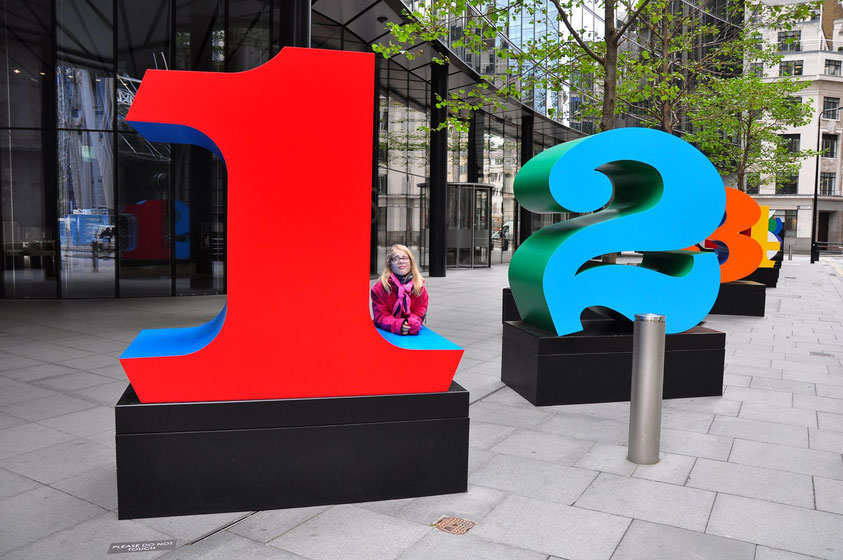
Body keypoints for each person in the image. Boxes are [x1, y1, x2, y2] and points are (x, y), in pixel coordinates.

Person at [371, 244, 428, 335]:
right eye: (396, 258)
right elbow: (381, 316)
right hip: (385, 332)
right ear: (390, 263)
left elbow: (419, 312)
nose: (401, 261)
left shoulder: (419, 287)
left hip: (411, 330)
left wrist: (410, 324)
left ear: (410, 262)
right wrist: (398, 325)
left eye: (405, 258)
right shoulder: (380, 288)